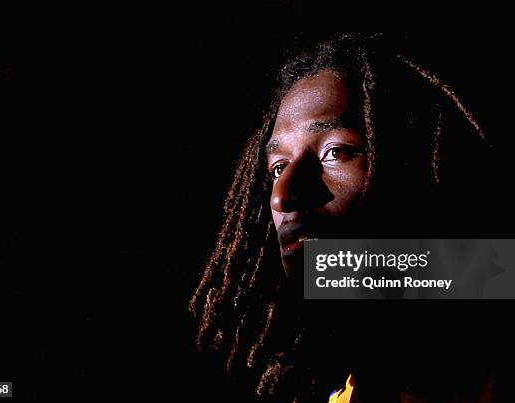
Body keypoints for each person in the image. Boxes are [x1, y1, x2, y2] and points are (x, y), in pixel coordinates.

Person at [189, 33, 494, 402]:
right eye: (277, 167)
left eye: (336, 151)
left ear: (418, 163)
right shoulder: (337, 383)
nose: (283, 196)